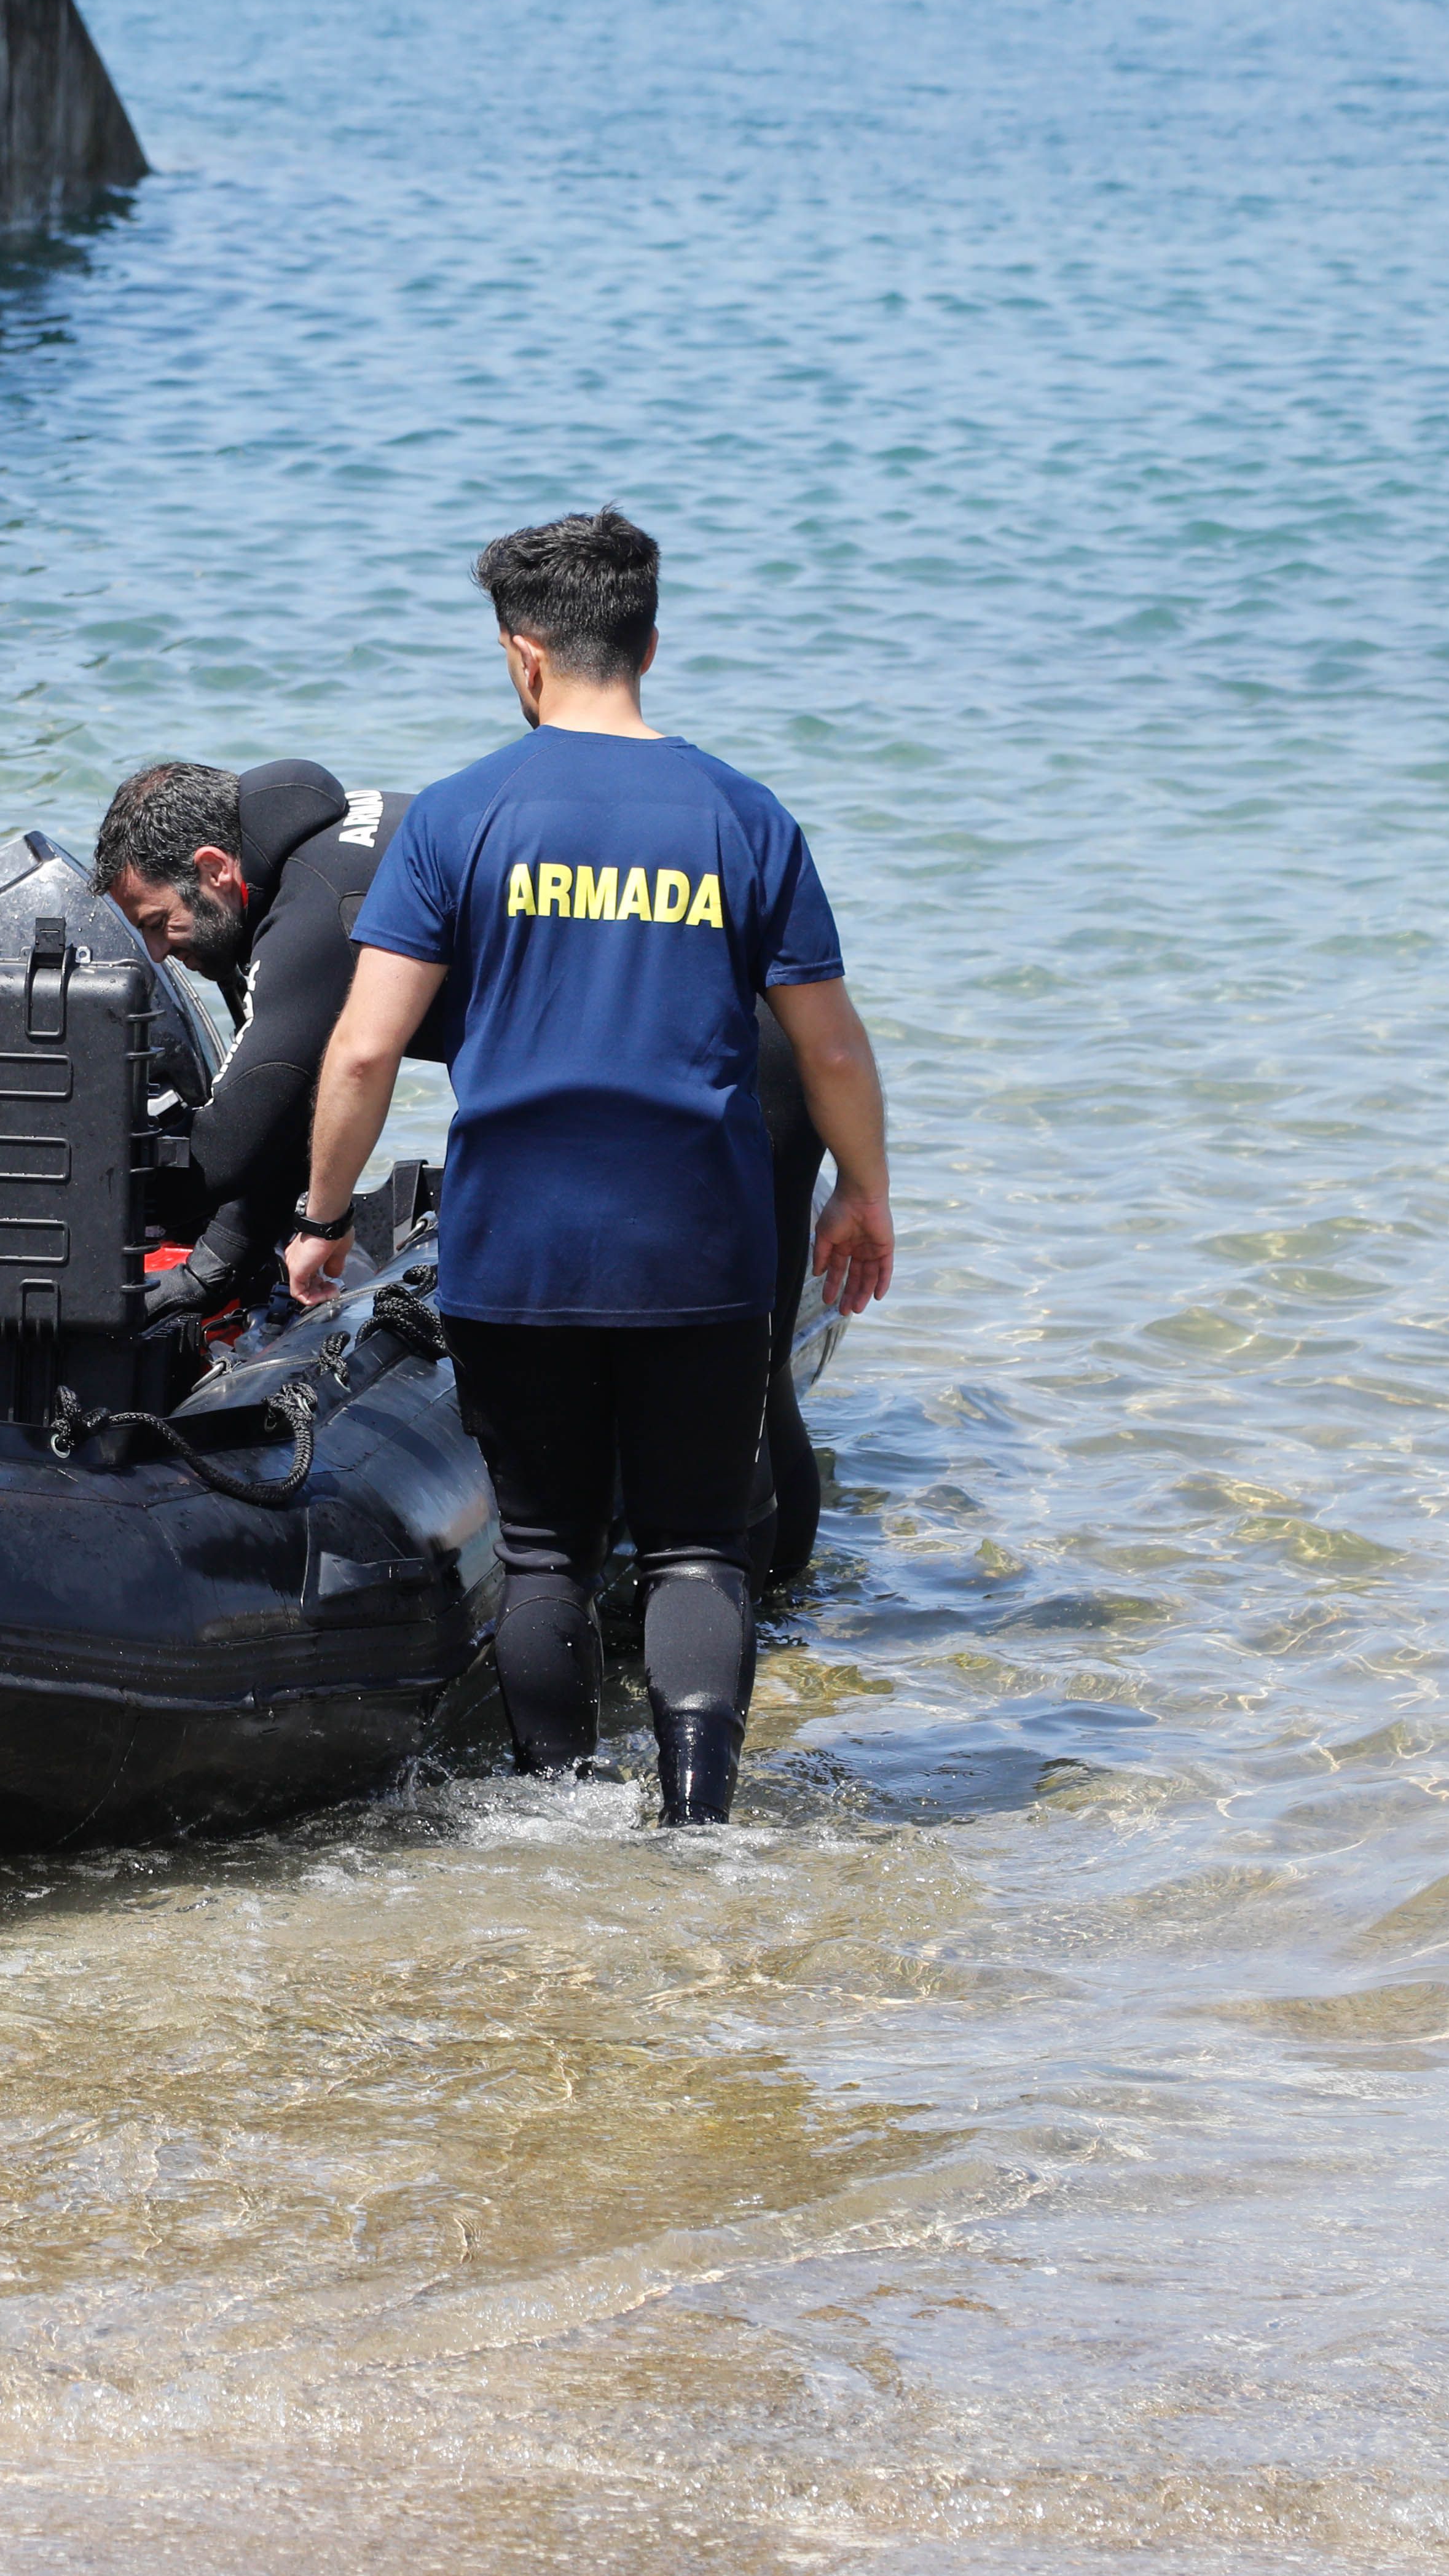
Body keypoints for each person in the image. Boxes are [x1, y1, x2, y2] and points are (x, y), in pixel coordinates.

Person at [283, 510, 893, 1826]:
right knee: (694, 1544)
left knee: (551, 1549)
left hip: (520, 1245)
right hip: (702, 1242)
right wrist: (865, 1191)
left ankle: (554, 1810)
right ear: (652, 643)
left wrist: (323, 1218)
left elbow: (363, 1051)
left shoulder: (457, 819)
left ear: (522, 656)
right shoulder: (745, 815)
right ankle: (697, 1823)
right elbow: (831, 1047)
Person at [92, 758, 460, 1321]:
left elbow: (228, 1148)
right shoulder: (305, 854)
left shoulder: (315, 907)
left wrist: (90, 1194)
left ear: (213, 867)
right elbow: (288, 1105)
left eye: (156, 922)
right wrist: (215, 1268)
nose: (158, 953)